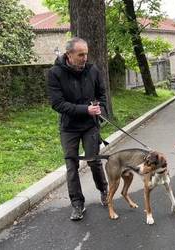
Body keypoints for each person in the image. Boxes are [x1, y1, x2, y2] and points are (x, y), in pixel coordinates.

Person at [48, 37, 108, 220]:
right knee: (71, 165)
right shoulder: (55, 73)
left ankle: (104, 190)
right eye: (80, 54)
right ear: (69, 55)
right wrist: (85, 109)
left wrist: (100, 110)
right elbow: (57, 104)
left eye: (86, 54)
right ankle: (77, 203)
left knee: (93, 161)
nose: (84, 58)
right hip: (69, 127)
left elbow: (102, 94)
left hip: (90, 125)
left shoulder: (93, 70)